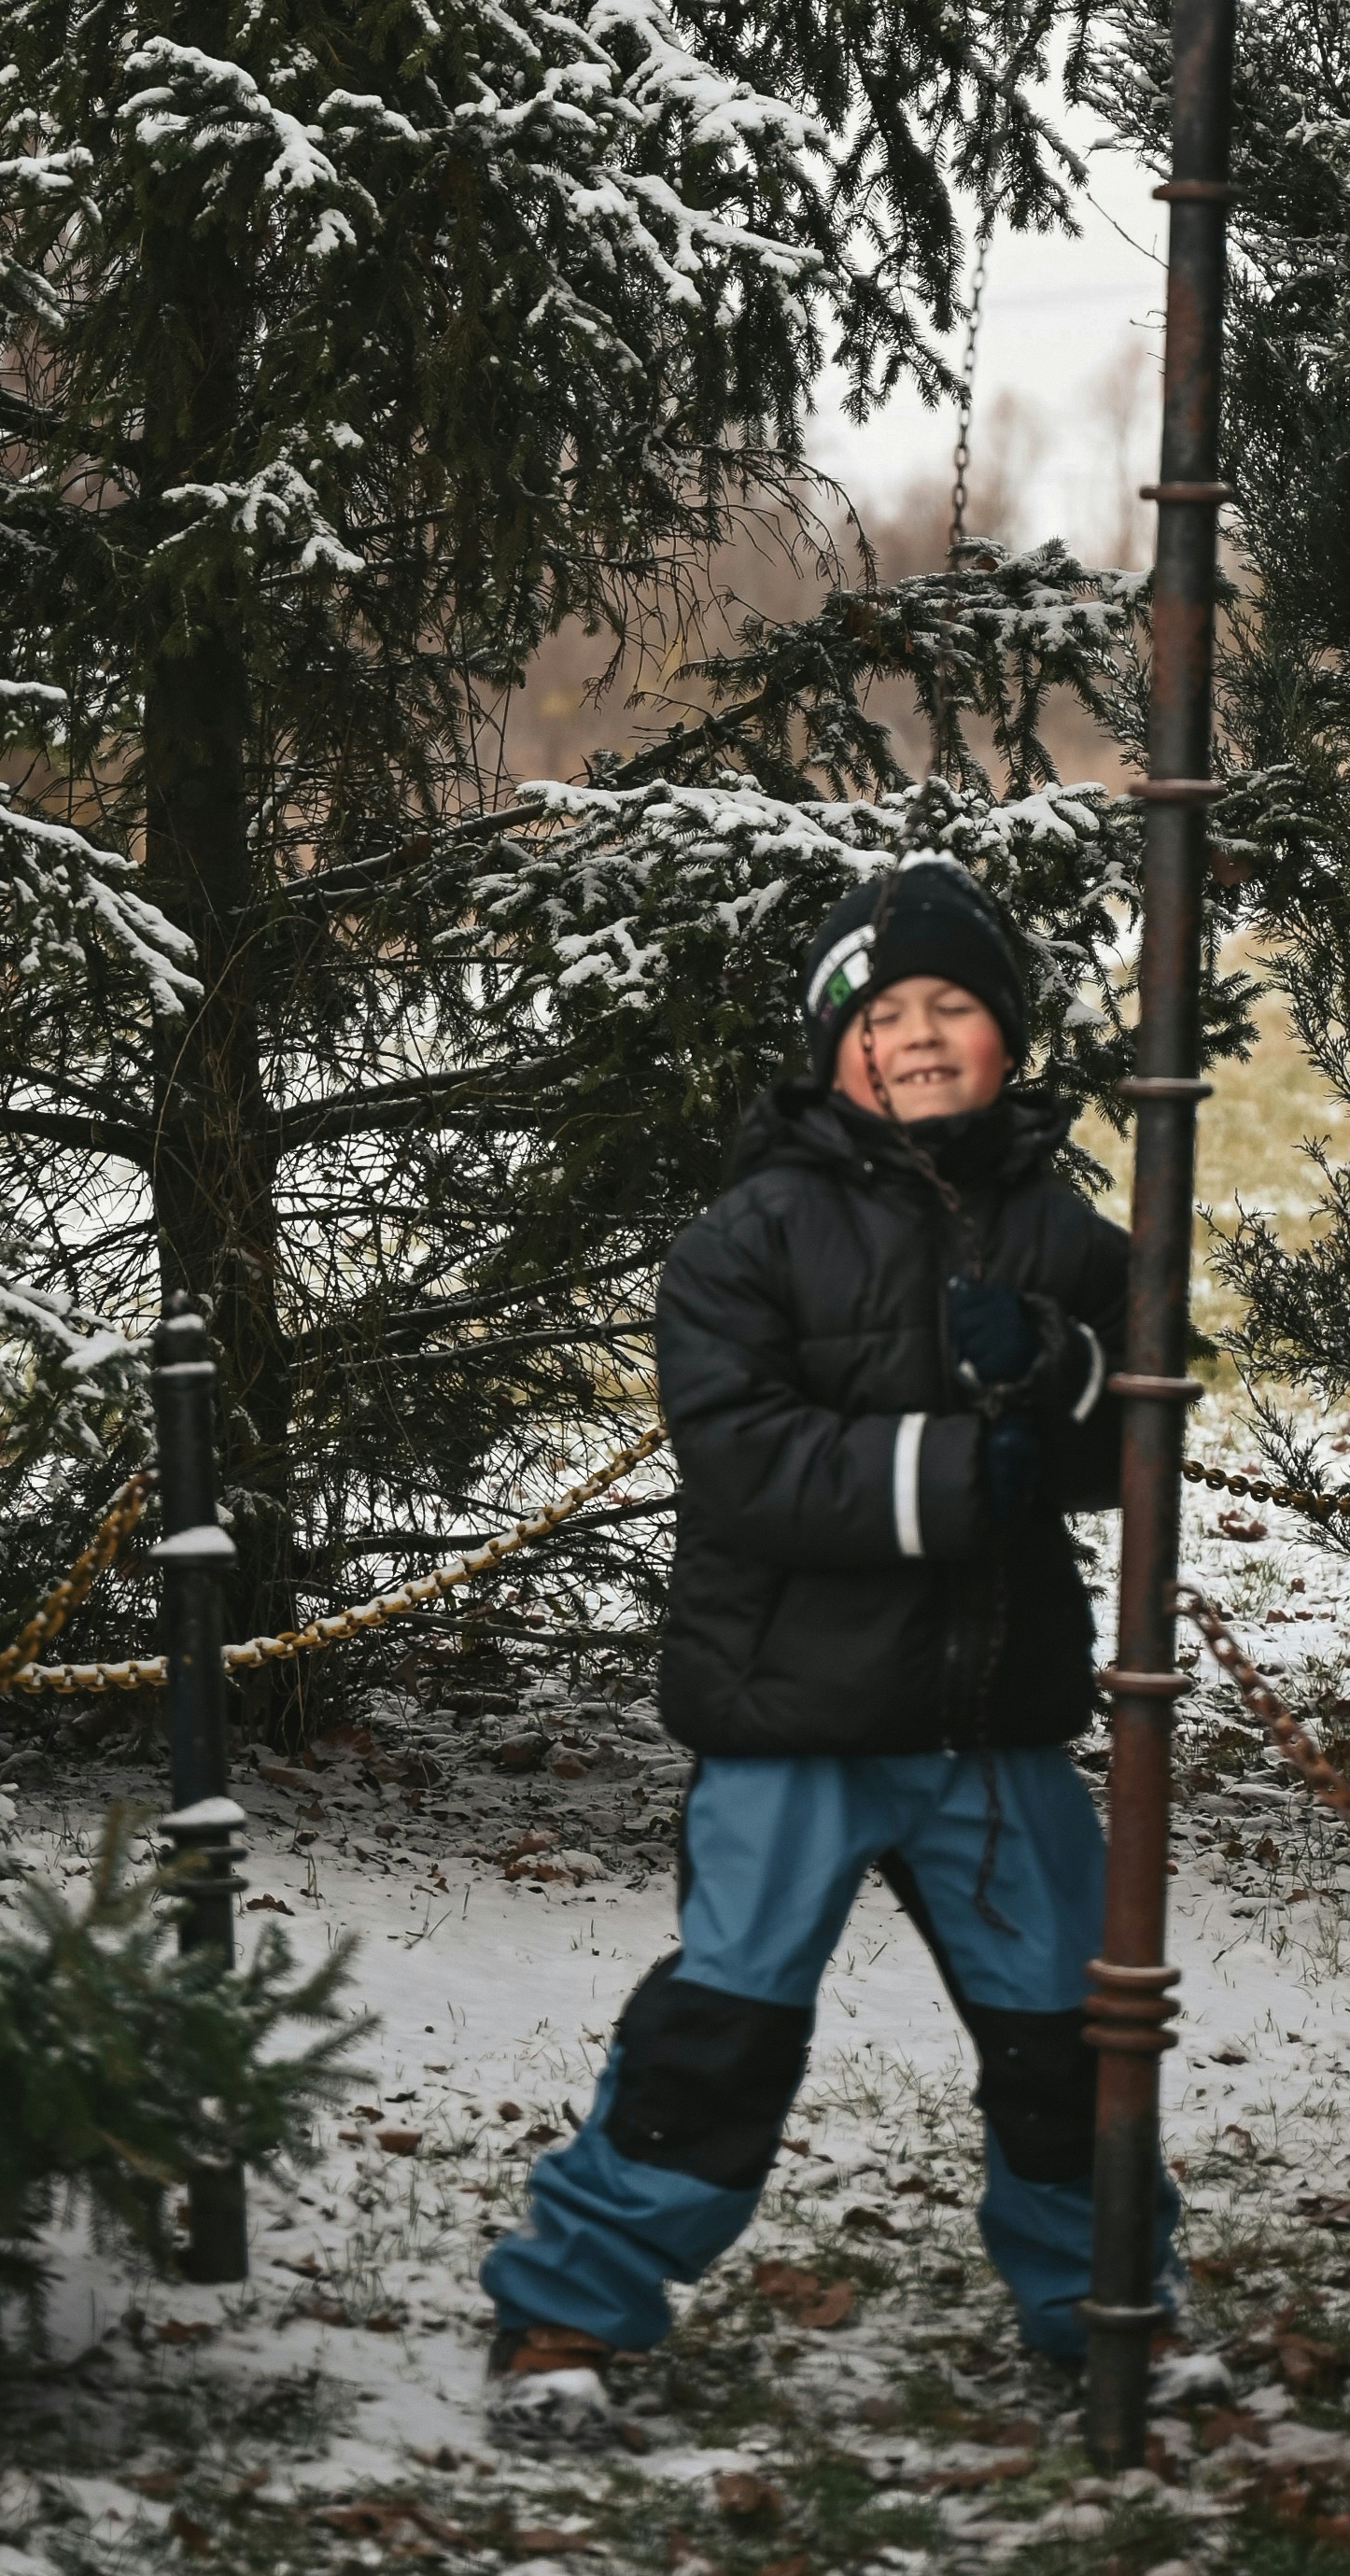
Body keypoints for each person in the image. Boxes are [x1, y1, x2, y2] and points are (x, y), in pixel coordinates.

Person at [480, 854, 1180, 2439]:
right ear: (830, 1048)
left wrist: (1069, 1373)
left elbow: (1132, 1436)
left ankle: (1107, 2306)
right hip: (792, 1721)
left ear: (1007, 1035)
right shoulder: (747, 1235)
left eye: (954, 1007)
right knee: (718, 2033)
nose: (921, 1037)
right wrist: (954, 1466)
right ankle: (568, 2315)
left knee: (1072, 2039)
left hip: (990, 1727)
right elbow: (746, 1460)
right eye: (883, 1013)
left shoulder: (1061, 1232)